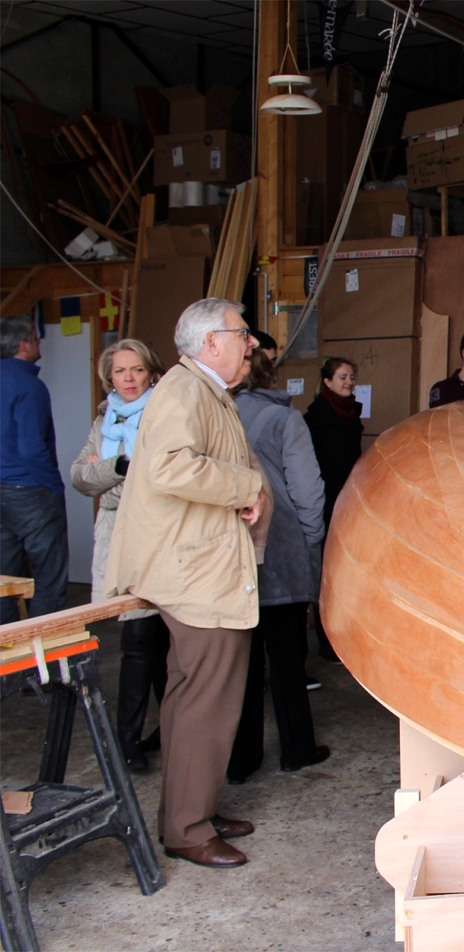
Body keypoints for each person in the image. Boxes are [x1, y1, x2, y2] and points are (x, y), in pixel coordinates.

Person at [103, 298, 268, 870]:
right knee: (206, 700)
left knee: (188, 698)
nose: (250, 343)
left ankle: (189, 809)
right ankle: (188, 829)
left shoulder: (200, 389)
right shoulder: (184, 389)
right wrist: (247, 487)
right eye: (242, 334)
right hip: (193, 572)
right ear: (210, 342)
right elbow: (170, 467)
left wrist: (242, 493)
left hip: (194, 565)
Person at [227, 349, 331, 784]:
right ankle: (297, 749)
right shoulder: (285, 420)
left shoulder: (219, 415)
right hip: (282, 551)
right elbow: (307, 489)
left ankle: (242, 760)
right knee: (288, 657)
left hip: (231, 554)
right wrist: (311, 543)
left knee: (240, 664)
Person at [70, 339, 169, 773]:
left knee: (167, 641)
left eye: (136, 370)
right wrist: (120, 467)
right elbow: (79, 476)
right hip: (120, 540)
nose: (128, 379)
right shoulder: (103, 420)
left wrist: (108, 472)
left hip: (160, 536)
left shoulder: (163, 413)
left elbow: (162, 477)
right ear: (108, 377)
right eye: (119, 371)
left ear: (151, 372)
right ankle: (127, 741)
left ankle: (170, 731)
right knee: (136, 643)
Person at [0, 314, 69, 624]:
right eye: (35, 337)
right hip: (30, 491)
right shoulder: (30, 386)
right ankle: (42, 663)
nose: (40, 341)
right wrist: (53, 485)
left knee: (5, 581)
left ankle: (7, 663)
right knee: (49, 580)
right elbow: (31, 448)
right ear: (24, 344)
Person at [303, 357, 363, 665]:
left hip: (347, 502)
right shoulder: (317, 418)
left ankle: (344, 637)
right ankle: (328, 641)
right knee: (327, 574)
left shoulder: (351, 414)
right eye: (343, 376)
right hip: (325, 504)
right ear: (327, 381)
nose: (349, 382)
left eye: (352, 377)